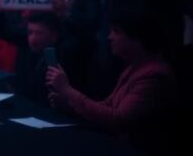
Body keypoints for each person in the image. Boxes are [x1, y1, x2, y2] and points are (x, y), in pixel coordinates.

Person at [46, 13, 180, 154]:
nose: (110, 37)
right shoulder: (134, 68)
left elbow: (118, 120)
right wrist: (69, 105)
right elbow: (106, 106)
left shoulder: (154, 75)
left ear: (136, 38)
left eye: (116, 32)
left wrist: (68, 91)